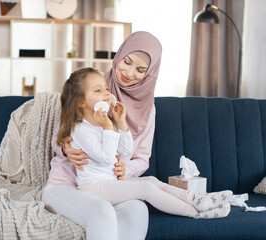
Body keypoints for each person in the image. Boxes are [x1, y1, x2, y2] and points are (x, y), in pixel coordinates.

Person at [56, 67, 232, 221]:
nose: (107, 94)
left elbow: (126, 149)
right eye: (98, 90)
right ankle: (194, 212)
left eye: (106, 89)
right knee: (145, 188)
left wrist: (121, 123)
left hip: (108, 183)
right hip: (93, 188)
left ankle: (196, 198)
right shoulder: (80, 129)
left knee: (152, 180)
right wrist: (109, 127)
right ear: (81, 102)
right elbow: (107, 157)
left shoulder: (103, 123)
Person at [42, 31, 158, 240]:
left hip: (109, 185)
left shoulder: (148, 109)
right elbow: (58, 138)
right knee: (102, 211)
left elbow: (142, 158)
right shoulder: (89, 86)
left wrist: (125, 169)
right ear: (119, 55)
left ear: (150, 74)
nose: (129, 73)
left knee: (138, 210)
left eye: (140, 70)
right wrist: (66, 149)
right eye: (127, 61)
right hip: (67, 183)